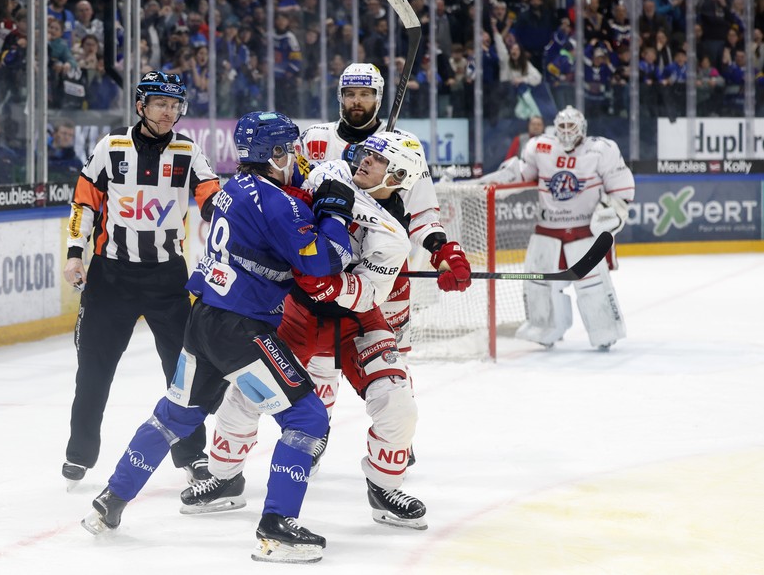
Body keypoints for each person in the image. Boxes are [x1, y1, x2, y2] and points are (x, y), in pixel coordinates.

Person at [82, 111, 356, 565]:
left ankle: (111, 500)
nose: (296, 157)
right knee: (308, 418)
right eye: (289, 149)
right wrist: (336, 208)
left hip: (204, 319)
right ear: (274, 152)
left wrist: (311, 199)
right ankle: (276, 528)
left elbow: (277, 221)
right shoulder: (277, 203)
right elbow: (324, 260)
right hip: (241, 329)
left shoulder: (234, 188)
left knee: (174, 416)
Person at [179, 132, 431, 531]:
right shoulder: (330, 172)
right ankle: (225, 478)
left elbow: (369, 294)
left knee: (397, 401)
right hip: (298, 312)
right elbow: (281, 195)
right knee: (246, 393)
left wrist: (331, 284)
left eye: (378, 159)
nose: (365, 159)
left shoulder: (393, 236)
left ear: (398, 176)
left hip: (356, 322)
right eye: (367, 152)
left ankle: (384, 488)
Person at [292, 63, 472, 466]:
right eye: (350, 94)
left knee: (393, 358)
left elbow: (422, 212)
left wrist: (442, 251)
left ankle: (397, 437)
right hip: (327, 269)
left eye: (366, 94)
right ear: (340, 96)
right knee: (321, 364)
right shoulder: (315, 139)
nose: (357, 102)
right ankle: (313, 435)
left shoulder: (404, 146)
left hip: (383, 274)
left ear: (379, 97)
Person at [61, 71, 220, 489]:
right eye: (160, 104)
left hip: (168, 279)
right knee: (93, 369)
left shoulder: (188, 151)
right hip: (110, 277)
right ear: (140, 106)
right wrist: (75, 253)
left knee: (183, 371)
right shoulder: (110, 147)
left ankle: (193, 455)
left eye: (175, 105)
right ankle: (80, 453)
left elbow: (211, 200)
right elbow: (84, 203)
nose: (168, 112)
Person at [474, 106, 635, 351]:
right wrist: (497, 179)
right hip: (548, 229)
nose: (567, 131)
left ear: (582, 127)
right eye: (562, 126)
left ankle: (604, 330)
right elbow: (522, 173)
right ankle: (544, 328)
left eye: (571, 126)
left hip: (584, 232)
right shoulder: (540, 147)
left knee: (592, 285)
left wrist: (613, 211)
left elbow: (621, 188)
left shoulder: (602, 149)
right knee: (538, 283)